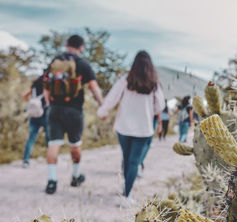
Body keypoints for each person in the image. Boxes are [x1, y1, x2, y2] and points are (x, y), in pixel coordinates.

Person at [97, 50, 165, 198]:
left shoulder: (125, 81)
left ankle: (125, 184)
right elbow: (159, 107)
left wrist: (102, 112)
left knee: (126, 158)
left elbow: (111, 100)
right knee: (134, 162)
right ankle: (126, 195)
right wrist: (148, 110)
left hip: (123, 127)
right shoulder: (154, 85)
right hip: (143, 128)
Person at [43, 35, 104, 194]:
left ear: (66, 44)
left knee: (53, 144)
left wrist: (49, 103)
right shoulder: (83, 64)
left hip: (55, 109)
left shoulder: (55, 61)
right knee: (75, 145)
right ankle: (76, 176)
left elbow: (45, 85)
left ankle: (52, 181)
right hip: (74, 111)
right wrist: (103, 106)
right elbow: (94, 87)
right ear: (81, 47)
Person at [21, 75, 49, 168]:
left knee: (31, 138)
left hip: (33, 116)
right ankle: (50, 159)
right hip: (44, 115)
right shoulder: (47, 88)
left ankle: (26, 160)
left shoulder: (33, 88)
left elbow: (24, 96)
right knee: (48, 138)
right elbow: (48, 101)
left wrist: (31, 101)